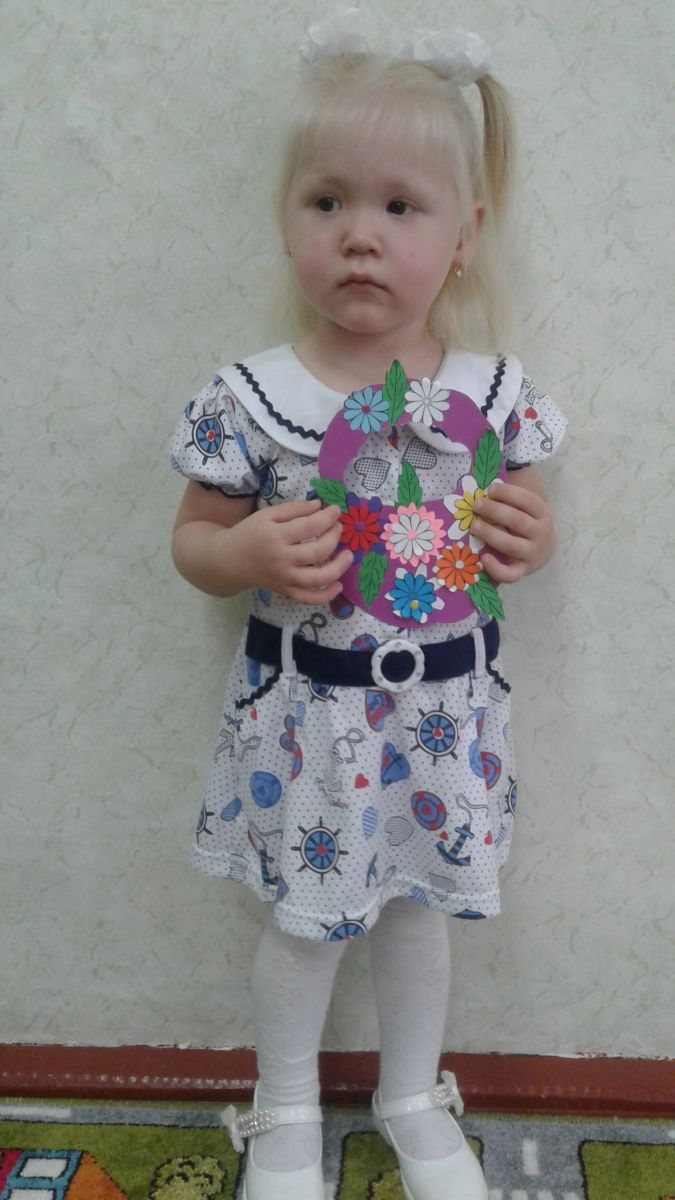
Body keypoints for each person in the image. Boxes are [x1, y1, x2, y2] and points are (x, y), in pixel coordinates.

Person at [169, 17, 566, 1200]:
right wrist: (239, 547)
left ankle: (410, 1096)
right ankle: (286, 1108)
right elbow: (192, 542)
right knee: (305, 925)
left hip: (441, 723)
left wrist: (533, 538)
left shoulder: (495, 397)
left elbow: (523, 519)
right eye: (327, 201)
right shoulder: (255, 398)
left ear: (463, 237)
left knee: (415, 920)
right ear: (287, 219)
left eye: (400, 207)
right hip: (312, 727)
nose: (360, 235)